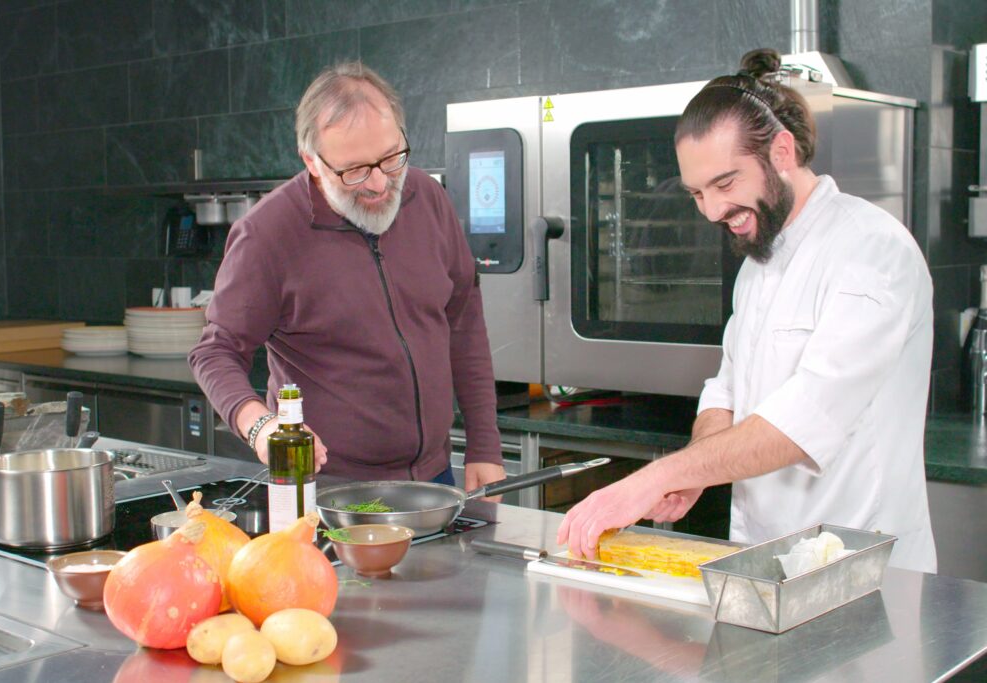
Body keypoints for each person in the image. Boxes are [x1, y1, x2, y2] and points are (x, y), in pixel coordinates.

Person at [558, 48, 937, 573]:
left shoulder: (872, 251)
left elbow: (802, 423)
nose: (712, 210)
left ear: (781, 152)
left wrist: (659, 476)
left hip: (862, 565)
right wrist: (697, 472)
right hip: (765, 560)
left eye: (725, 183)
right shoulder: (761, 257)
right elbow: (728, 390)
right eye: (696, 192)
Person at [189, 61, 506, 491]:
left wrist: (484, 444)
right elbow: (215, 352)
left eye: (392, 158)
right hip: (329, 486)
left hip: (435, 476)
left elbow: (463, 321)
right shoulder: (268, 234)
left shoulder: (427, 198)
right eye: (354, 171)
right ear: (312, 162)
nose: (379, 184)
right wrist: (261, 427)